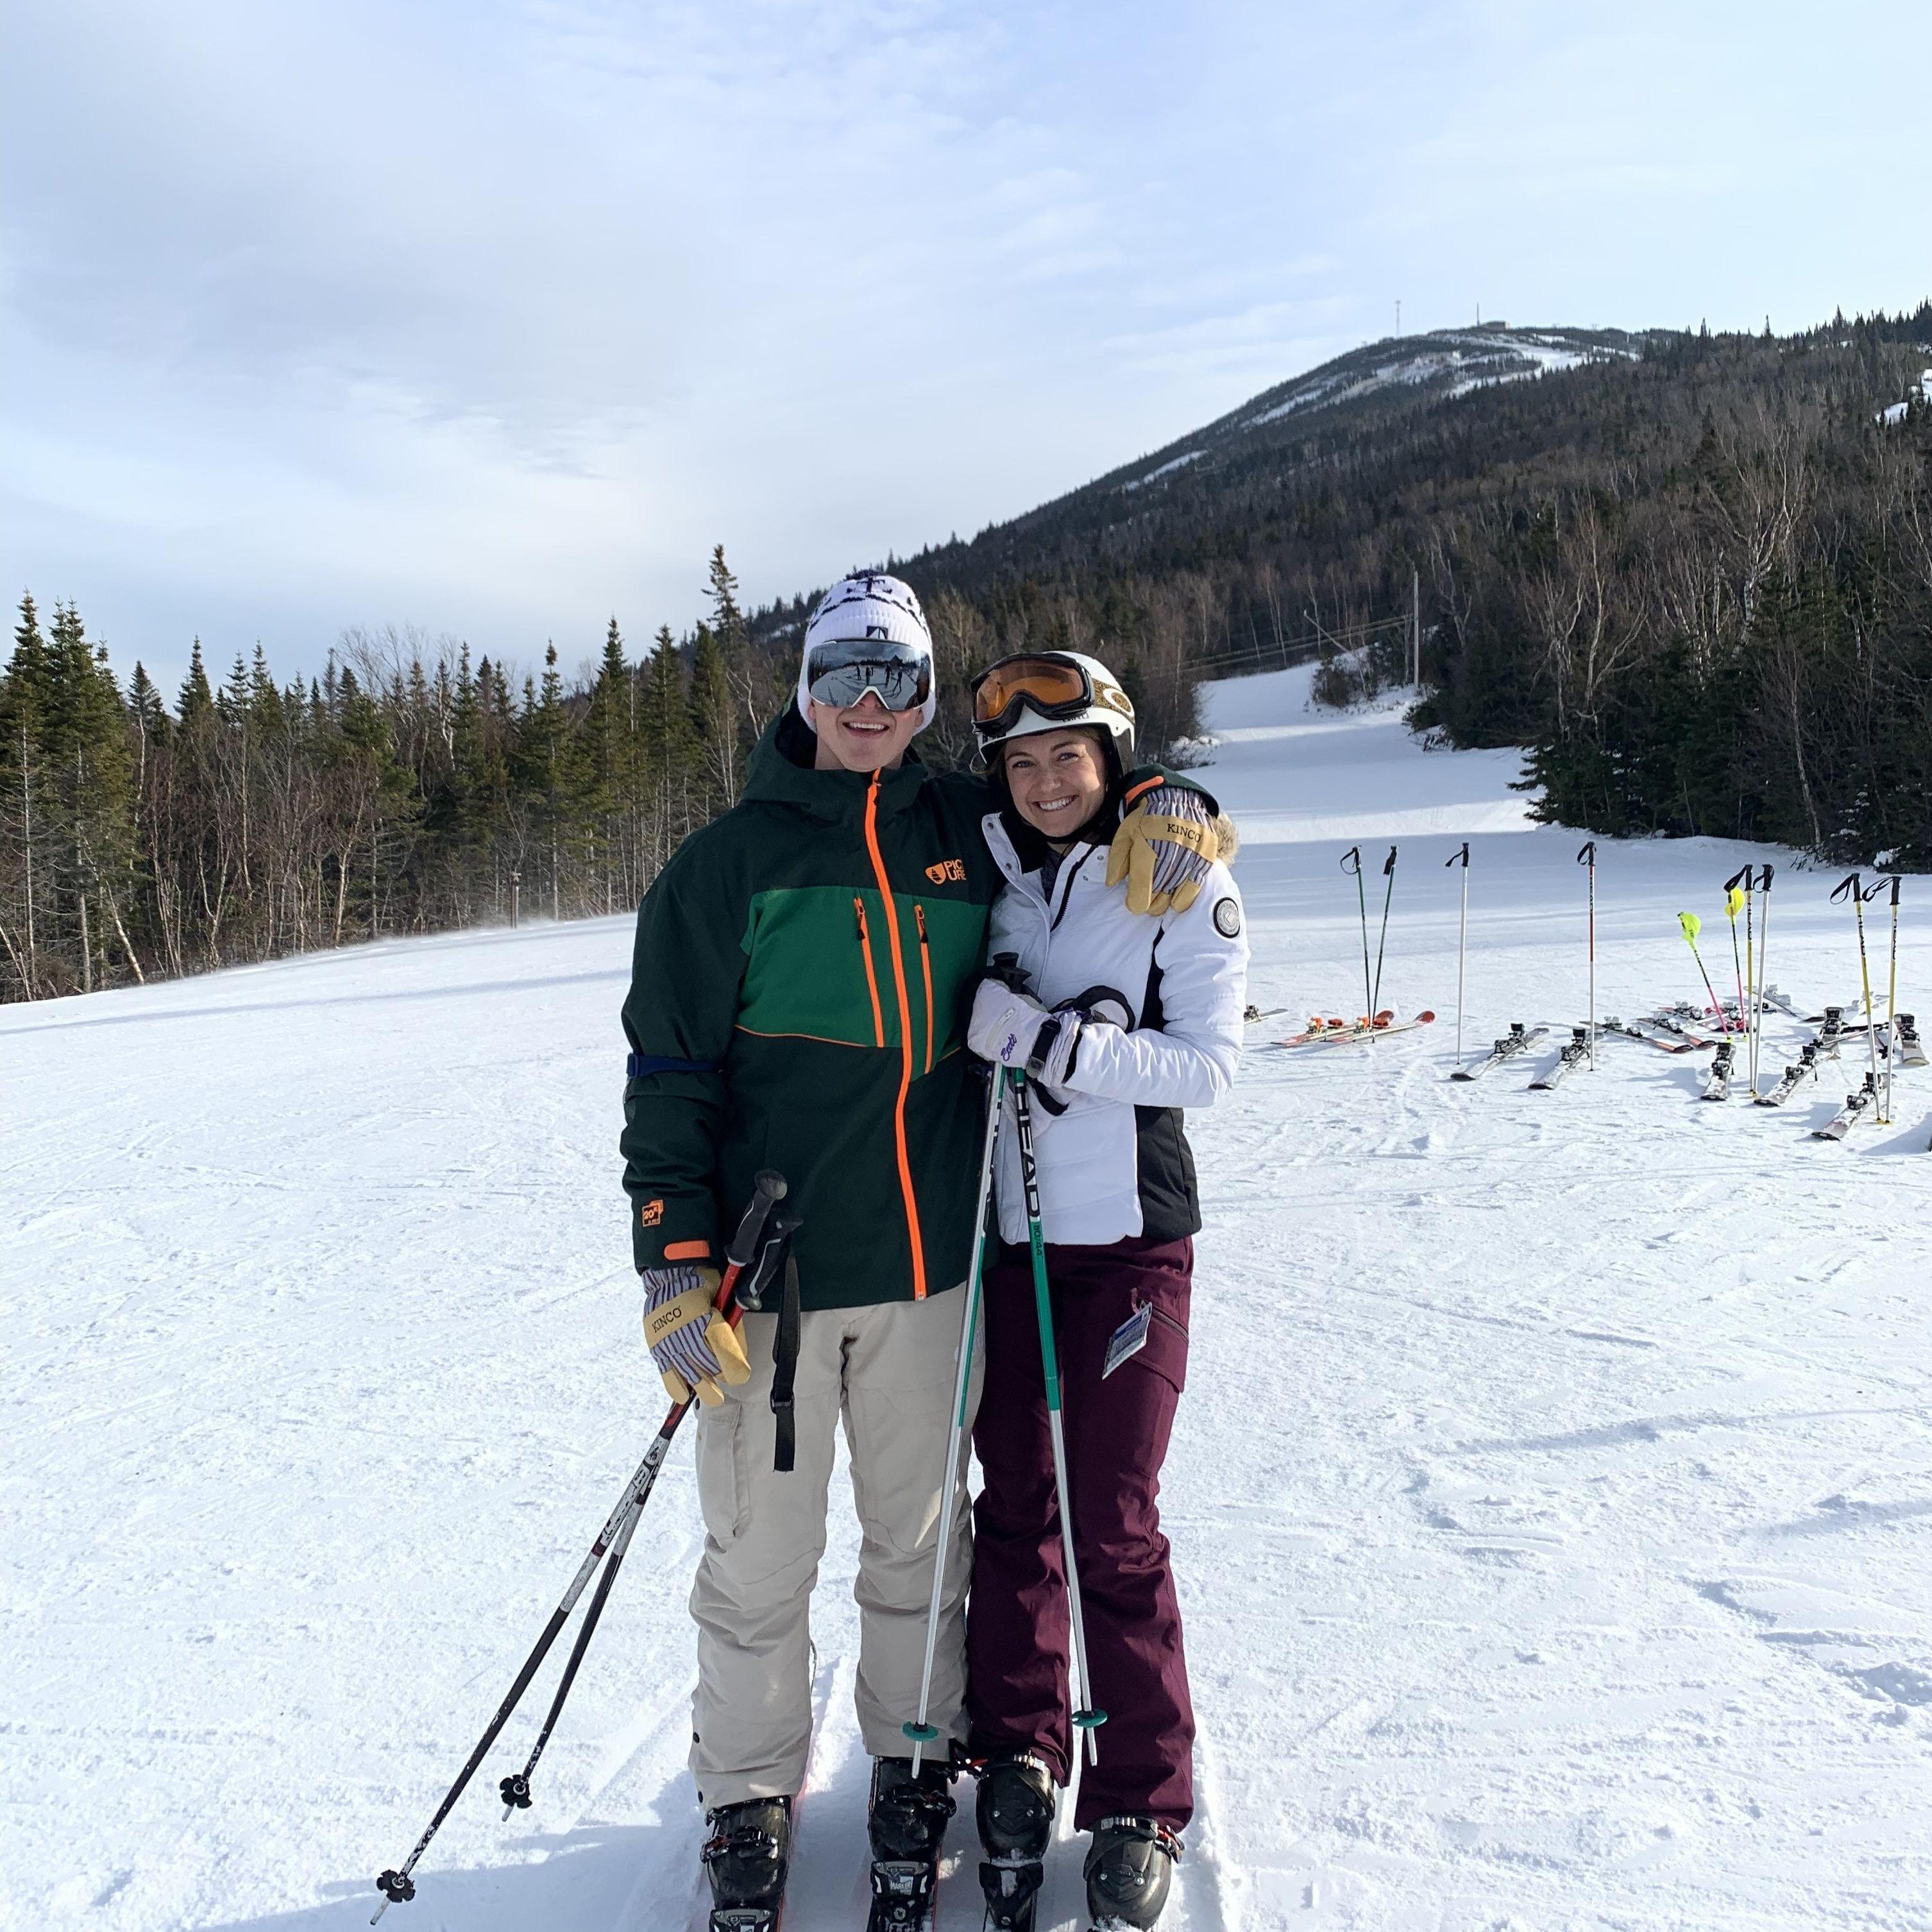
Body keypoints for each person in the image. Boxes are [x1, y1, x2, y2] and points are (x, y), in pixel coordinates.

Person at [618, 579, 1217, 1932]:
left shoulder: (966, 827)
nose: (871, 704)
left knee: (924, 1544)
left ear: (928, 697)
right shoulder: (726, 868)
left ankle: (911, 1759)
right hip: (762, 1282)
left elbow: (1077, 794)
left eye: (896, 677)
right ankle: (747, 1793)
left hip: (932, 1271)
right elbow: (667, 1077)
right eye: (844, 677)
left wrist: (1163, 796)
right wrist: (671, 1261)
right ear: (806, 694)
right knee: (759, 1557)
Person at [959, 650, 1246, 1932]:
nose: (1045, 780)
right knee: (1014, 1502)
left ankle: (1141, 1797)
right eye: (1021, 762)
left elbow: (1212, 1067)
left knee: (1111, 1517)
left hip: (1130, 1245)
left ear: (1114, 757)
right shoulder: (987, 876)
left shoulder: (1171, 871)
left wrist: (1065, 1045)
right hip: (1009, 1244)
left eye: (1069, 755)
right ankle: (1020, 1742)